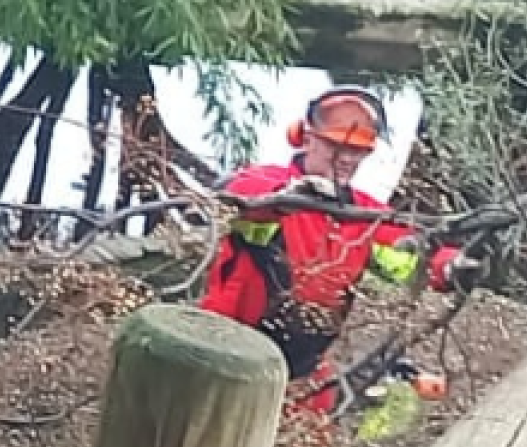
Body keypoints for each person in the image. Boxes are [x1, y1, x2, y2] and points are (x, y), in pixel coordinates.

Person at [196, 85, 466, 412]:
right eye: (336, 146)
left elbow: (412, 255)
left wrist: (452, 265)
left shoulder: (364, 216)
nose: (347, 158)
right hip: (227, 355)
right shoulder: (265, 186)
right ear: (306, 137)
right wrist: (292, 196)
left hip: (304, 374)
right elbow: (237, 201)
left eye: (357, 150)